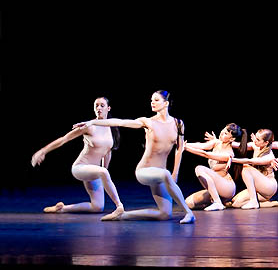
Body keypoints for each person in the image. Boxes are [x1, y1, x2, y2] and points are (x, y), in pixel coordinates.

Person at [73, 90, 194, 223]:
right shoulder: (148, 122)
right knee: (165, 174)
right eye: (151, 100)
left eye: (156, 100)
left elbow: (179, 148)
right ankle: (188, 212)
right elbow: (121, 122)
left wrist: (176, 172)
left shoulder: (178, 123)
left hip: (161, 174)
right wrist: (92, 122)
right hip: (145, 171)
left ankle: (123, 215)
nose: (152, 102)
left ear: (166, 103)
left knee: (164, 214)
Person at [32, 97, 125, 216]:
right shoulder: (88, 126)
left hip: (94, 171)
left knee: (97, 207)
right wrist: (43, 151)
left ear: (108, 108)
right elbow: (64, 139)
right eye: (96, 105)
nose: (99, 108)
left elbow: (107, 152)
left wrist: (104, 173)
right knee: (103, 172)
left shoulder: (111, 129)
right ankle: (119, 206)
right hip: (80, 168)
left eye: (102, 105)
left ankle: (62, 208)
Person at [183, 123, 247, 211]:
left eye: (225, 133)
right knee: (188, 203)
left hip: (226, 187)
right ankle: (218, 201)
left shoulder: (228, 154)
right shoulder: (217, 142)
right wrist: (183, 144)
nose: (222, 133)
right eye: (223, 130)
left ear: (232, 139)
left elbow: (205, 154)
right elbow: (202, 146)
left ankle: (218, 202)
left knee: (199, 169)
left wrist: (186, 148)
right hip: (215, 187)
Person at [230, 129, 278, 209]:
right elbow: (239, 145)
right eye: (255, 138)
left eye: (258, 139)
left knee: (246, 167)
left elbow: (249, 161)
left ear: (266, 143)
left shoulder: (269, 156)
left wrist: (231, 159)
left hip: (269, 187)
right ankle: (268, 203)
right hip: (259, 187)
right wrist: (220, 141)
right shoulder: (256, 146)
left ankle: (254, 201)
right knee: (235, 202)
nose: (255, 141)